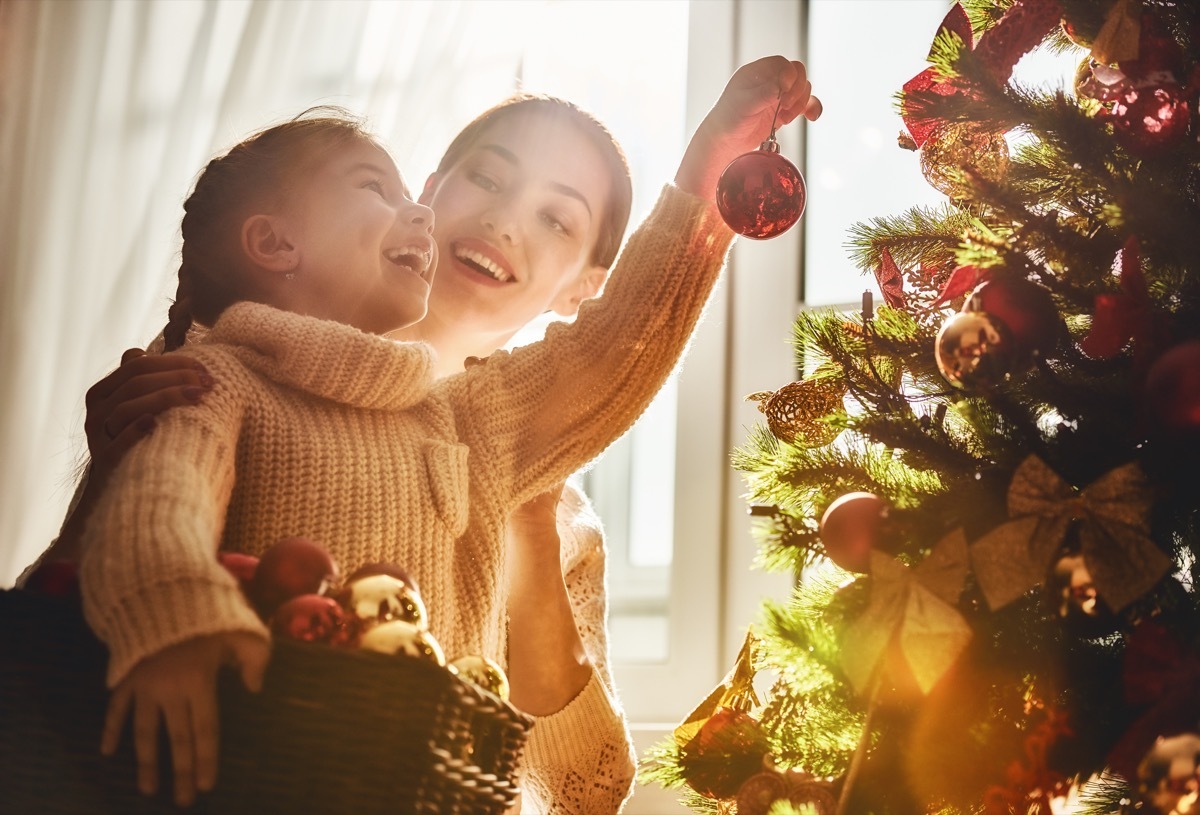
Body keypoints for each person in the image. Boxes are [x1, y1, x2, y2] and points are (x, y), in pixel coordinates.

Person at [29, 56, 822, 813]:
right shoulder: (214, 379)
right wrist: (118, 479)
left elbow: (588, 791)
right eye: (486, 177)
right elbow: (58, 641)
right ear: (431, 196)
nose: (506, 220)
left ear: (583, 290)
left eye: (554, 217)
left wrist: (716, 163)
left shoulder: (496, 436)